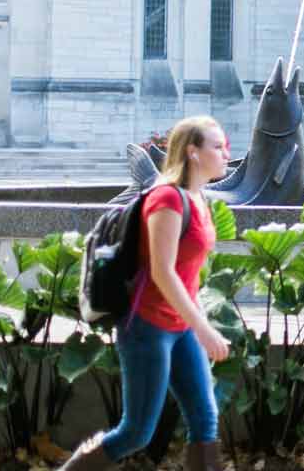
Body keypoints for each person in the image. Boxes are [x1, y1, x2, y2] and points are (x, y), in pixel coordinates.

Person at [62, 116, 232, 471]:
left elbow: (188, 277)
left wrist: (197, 325)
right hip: (147, 326)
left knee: (204, 418)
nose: (226, 154)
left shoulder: (198, 199)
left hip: (180, 328)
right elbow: (162, 272)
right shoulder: (167, 199)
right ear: (193, 152)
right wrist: (204, 329)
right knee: (136, 432)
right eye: (217, 146)